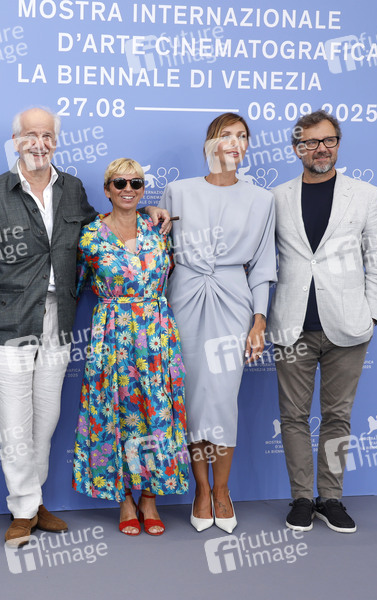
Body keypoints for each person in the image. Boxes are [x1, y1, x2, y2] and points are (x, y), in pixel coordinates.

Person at [0, 107, 172, 546]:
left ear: (56, 142)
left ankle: (34, 500)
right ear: (15, 141)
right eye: (30, 135)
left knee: (47, 419)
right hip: (8, 319)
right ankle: (22, 510)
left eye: (46, 135)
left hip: (58, 320)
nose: (39, 143)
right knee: (14, 423)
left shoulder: (72, 189)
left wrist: (147, 207)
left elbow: (107, 225)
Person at [269, 110, 377, 534]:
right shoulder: (276, 197)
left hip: (349, 327)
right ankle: (302, 498)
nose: (320, 149)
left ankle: (331, 498)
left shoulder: (366, 194)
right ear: (296, 148)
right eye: (310, 142)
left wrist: (371, 315)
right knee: (293, 417)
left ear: (338, 143)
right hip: (292, 326)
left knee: (338, 417)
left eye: (328, 140)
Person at [159, 113, 276, 533]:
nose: (234, 142)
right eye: (225, 135)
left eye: (242, 136)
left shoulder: (262, 199)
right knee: (193, 399)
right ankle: (202, 490)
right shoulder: (178, 191)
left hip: (233, 300)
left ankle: (222, 490)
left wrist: (259, 320)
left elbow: (262, 265)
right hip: (184, 298)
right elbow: (160, 252)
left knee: (222, 398)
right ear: (209, 143)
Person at [72, 158, 190, 536]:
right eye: (120, 183)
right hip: (112, 336)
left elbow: (174, 271)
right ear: (107, 189)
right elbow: (73, 286)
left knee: (157, 412)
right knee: (117, 413)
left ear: (143, 189)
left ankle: (149, 498)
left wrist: (155, 211)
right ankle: (124, 498)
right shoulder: (90, 236)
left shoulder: (158, 228)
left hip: (156, 335)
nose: (128, 189)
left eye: (136, 183)